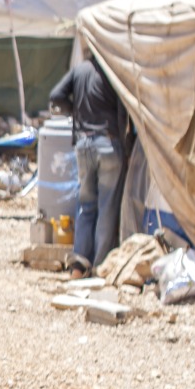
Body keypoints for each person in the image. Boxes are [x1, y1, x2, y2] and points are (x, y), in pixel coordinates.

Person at [49, 57, 129, 275]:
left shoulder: (80, 70)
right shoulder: (113, 72)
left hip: (83, 144)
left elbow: (56, 95)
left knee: (86, 204)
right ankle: (100, 265)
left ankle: (79, 263)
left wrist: (74, 110)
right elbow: (124, 111)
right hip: (108, 143)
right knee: (107, 206)